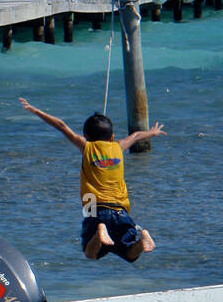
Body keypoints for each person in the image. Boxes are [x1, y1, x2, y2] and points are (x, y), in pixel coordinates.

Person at [18, 98, 165, 261]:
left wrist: (36, 111)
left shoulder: (86, 146)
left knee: (90, 254)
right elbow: (136, 135)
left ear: (86, 136)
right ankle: (142, 237)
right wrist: (152, 132)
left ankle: (99, 230)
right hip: (121, 211)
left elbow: (61, 126)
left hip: (94, 209)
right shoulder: (119, 146)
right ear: (112, 136)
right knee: (129, 254)